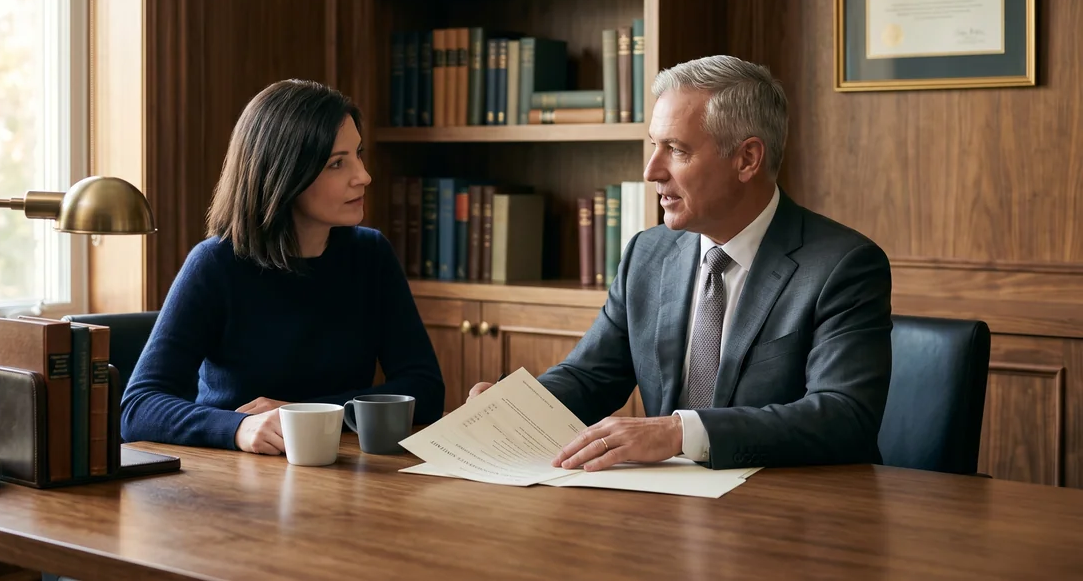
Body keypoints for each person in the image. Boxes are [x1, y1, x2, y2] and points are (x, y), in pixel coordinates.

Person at [469, 55, 892, 471]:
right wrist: (515, 407)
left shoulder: (843, 265)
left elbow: (844, 416)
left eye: (675, 149)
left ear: (747, 159)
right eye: (655, 145)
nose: (651, 171)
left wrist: (679, 433)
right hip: (666, 510)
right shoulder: (647, 254)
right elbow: (590, 378)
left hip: (795, 513)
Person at [122, 79, 445, 455]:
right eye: (337, 163)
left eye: (358, 154)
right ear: (285, 173)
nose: (364, 176)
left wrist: (304, 413)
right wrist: (238, 427)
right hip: (234, 479)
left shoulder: (371, 255)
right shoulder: (215, 264)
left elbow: (424, 389)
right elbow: (138, 408)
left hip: (340, 472)